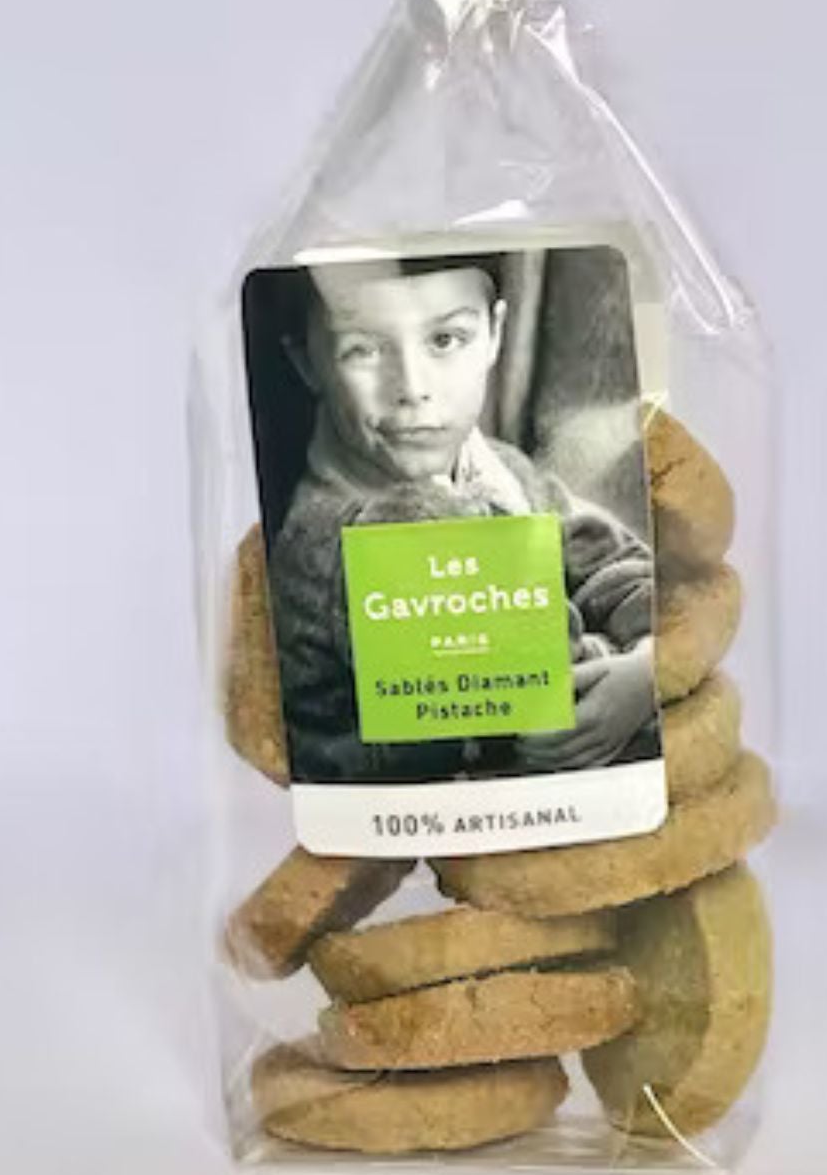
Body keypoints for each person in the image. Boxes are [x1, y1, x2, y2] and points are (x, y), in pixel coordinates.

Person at [264, 254, 658, 783]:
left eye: (446, 340)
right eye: (363, 349)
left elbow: (614, 565)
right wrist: (641, 674)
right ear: (307, 363)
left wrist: (650, 662)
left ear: (495, 334)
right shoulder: (360, 534)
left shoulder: (498, 465)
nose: (412, 388)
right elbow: (546, 701)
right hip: (414, 820)